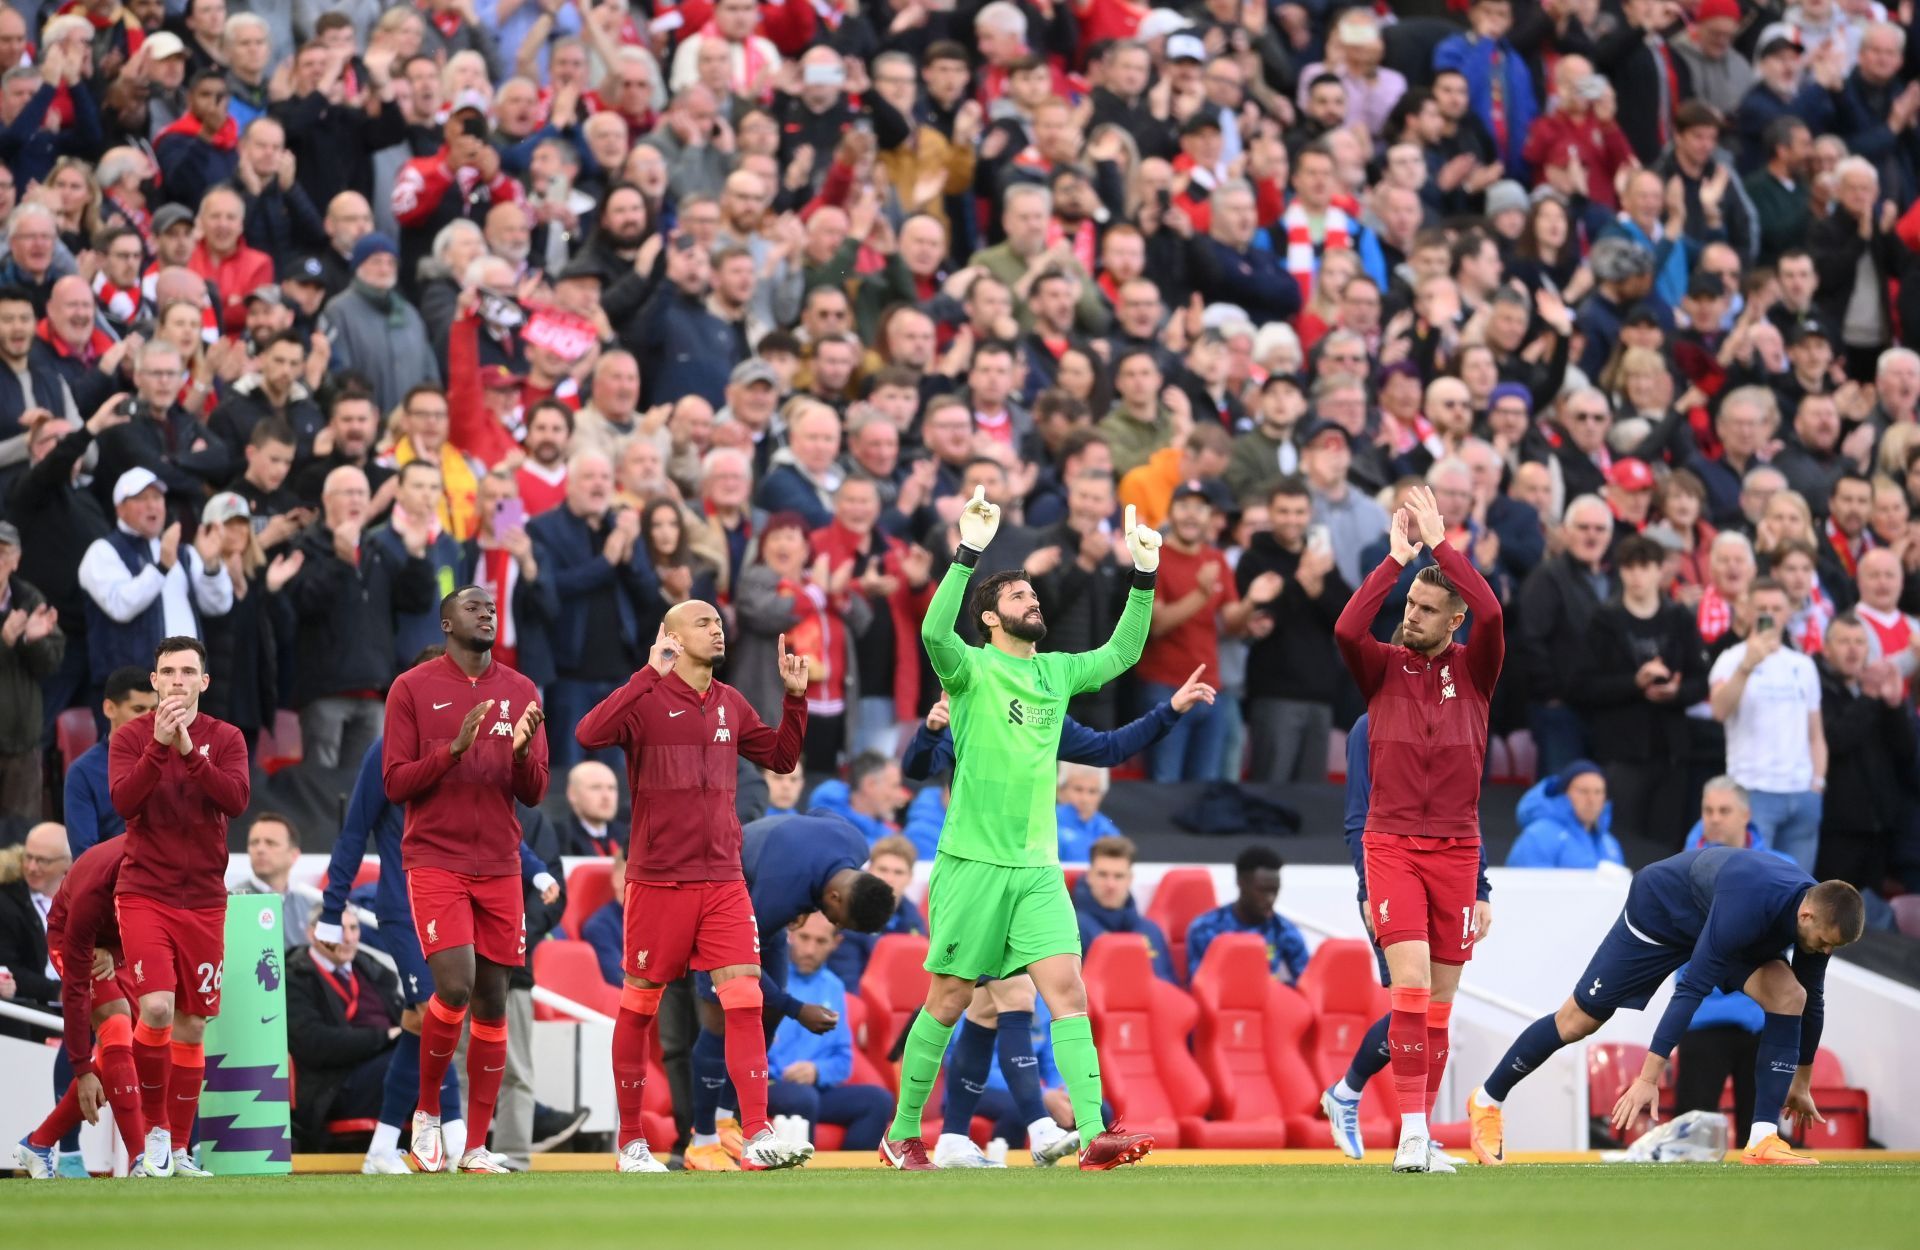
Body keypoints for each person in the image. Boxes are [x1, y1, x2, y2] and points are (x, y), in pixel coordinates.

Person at [878, 488, 1159, 1172]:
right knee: (946, 1000)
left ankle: (1095, 1135)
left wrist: (1144, 576)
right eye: (1018, 598)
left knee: (1068, 991)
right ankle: (902, 1131)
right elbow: (933, 634)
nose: (1032, 603)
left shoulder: (1057, 674)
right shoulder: (970, 669)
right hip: (971, 862)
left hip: (1037, 868)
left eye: (1034, 596)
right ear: (989, 618)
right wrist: (968, 553)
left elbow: (1121, 653)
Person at [574, 600, 812, 1174]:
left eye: (719, 622)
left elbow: (780, 758)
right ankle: (631, 1142)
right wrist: (646, 673)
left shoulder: (730, 702)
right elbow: (589, 732)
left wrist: (795, 700)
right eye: (703, 623)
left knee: (746, 1001)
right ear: (671, 637)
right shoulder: (646, 698)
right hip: (659, 880)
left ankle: (754, 1132)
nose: (717, 629)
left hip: (724, 879)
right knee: (638, 1009)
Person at [1467, 847, 1867, 1167]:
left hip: (1717, 917)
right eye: (1824, 942)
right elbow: (1691, 988)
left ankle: (1762, 1138)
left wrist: (1801, 1081)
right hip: (1661, 913)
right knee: (1577, 1022)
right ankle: (1487, 1101)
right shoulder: (1750, 905)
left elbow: (1812, 1001)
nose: (1825, 950)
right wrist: (1648, 1077)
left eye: (1833, 946)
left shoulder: (1818, 915)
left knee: (1791, 995)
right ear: (1806, 913)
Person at [1334, 484, 1503, 1173]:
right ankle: (1408, 1132)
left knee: (1440, 1004)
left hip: (1459, 850)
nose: (1411, 616)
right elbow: (1348, 629)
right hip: (1392, 844)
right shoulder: (1382, 670)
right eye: (1409, 605)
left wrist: (1443, 546)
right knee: (1408, 989)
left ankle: (1422, 1133)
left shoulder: (1478, 669)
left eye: (1428, 608)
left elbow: (1492, 609)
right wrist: (1395, 563)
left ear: (1454, 619)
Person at [377, 586, 550, 1174]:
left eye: (491, 607)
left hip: (501, 863)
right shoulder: (412, 689)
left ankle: (477, 1145)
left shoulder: (522, 691)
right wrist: (453, 750)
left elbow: (535, 792)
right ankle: (426, 1116)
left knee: (494, 1000)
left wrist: (523, 753)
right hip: (435, 859)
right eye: (473, 606)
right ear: (446, 622)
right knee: (454, 985)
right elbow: (396, 783)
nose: (486, 612)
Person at [681, 809, 897, 1169]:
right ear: (837, 896)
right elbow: (742, 962)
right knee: (722, 1020)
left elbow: (817, 815)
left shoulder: (856, 845)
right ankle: (701, 1142)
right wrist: (798, 1008)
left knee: (769, 1012)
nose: (830, 922)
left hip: (765, 899)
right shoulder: (779, 894)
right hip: (715, 900)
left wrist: (808, 897)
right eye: (834, 917)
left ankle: (722, 1121)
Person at [108, 635, 250, 1179]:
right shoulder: (132, 738)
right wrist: (160, 746)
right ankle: (154, 1139)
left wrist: (188, 750)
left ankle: (181, 1149)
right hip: (145, 891)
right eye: (168, 672)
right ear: (154, 680)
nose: (177, 681)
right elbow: (124, 801)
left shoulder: (226, 737)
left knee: (192, 1027)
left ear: (203, 682)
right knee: (159, 1010)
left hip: (206, 899)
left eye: (188, 672)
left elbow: (235, 800)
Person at [1322, 712, 1492, 1161]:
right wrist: (1367, 887)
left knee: (1433, 1003)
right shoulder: (1371, 726)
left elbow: (1465, 809)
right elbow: (1359, 813)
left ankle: (1372, 1108)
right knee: (1413, 996)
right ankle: (1400, 1125)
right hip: (1393, 873)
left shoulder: (1452, 723)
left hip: (1449, 871)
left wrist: (1480, 888)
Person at [10, 838, 147, 1179]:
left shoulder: (171, 863)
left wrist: (116, 956)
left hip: (122, 948)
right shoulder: (95, 883)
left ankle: (38, 1143)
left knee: (131, 1044)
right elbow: (72, 993)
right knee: (115, 1026)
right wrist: (82, 1070)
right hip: (72, 939)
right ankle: (142, 1159)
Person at [1709, 578, 1827, 872]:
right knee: (1753, 885)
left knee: (1800, 894)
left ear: (1788, 612)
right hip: (1753, 789)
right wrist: (1746, 666)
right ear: (1747, 611)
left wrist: (1817, 784)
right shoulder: (1730, 660)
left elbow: (1815, 733)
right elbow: (1719, 710)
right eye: (1762, 608)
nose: (1770, 615)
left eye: (1777, 608)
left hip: (1801, 793)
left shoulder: (1803, 665)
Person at [763, 912, 896, 1151]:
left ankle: (852, 1179)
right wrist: (781, 1071)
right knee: (802, 1098)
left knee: (879, 1101)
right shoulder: (770, 978)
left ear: (835, 943)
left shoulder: (834, 986)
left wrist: (817, 1071)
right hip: (769, 1085)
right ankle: (803, 1179)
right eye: (804, 937)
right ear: (790, 934)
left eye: (820, 941)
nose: (810, 949)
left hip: (814, 1090)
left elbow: (843, 1060)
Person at [286, 909, 406, 1151]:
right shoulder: (295, 977)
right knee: (408, 1060)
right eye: (339, 930)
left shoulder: (375, 971)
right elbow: (314, 1043)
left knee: (432, 1052)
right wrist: (384, 1037)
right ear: (312, 933)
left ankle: (455, 1143)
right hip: (333, 1086)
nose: (349, 938)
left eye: (353, 928)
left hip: (384, 1066)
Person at [1185, 845, 1313, 983]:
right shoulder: (1206, 927)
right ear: (1241, 883)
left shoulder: (1284, 930)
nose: (1270, 898)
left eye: (1274, 891)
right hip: (1222, 1002)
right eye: (1262, 890)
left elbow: (1307, 983)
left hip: (1269, 1000)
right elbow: (1200, 984)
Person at [63, 666, 155, 855]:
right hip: (116, 880)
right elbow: (85, 853)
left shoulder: (174, 760)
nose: (149, 718)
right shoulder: (83, 772)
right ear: (110, 708)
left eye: (154, 709)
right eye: (139, 709)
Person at [1072, 835, 1176, 984]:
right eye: (1102, 874)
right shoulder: (1070, 928)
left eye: (1118, 876)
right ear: (1089, 877)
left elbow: (1169, 988)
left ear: (1130, 879)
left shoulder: (1151, 930)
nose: (1110, 884)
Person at [1506, 761, 1623, 869]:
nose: (1591, 800)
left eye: (1598, 792)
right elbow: (1527, 887)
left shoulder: (1609, 843)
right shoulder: (1539, 836)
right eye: (1583, 791)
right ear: (1564, 794)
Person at [231, 812, 320, 949]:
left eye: (270, 843)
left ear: (294, 855)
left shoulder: (310, 905)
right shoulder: (232, 902)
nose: (260, 849)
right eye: (254, 843)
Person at [560, 760, 627, 858]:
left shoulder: (628, 837)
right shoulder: (560, 837)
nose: (606, 796)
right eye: (596, 787)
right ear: (572, 794)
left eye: (611, 788)